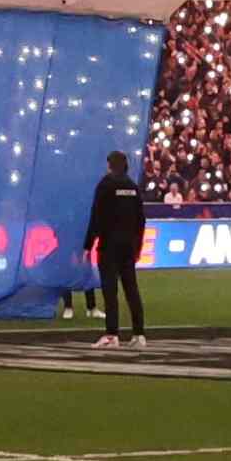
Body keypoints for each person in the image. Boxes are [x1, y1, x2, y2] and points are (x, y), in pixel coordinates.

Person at [85, 147, 150, 347]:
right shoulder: (132, 187)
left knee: (110, 290)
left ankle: (112, 334)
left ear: (110, 165)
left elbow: (96, 216)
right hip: (129, 246)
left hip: (110, 245)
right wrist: (138, 246)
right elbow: (141, 220)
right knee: (131, 289)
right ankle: (139, 334)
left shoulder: (106, 185)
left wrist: (88, 244)